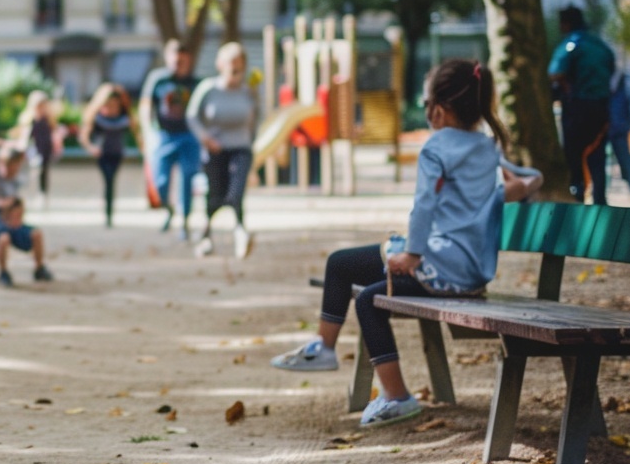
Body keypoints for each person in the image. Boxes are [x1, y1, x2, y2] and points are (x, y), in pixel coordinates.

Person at [269, 60, 543, 428]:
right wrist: (516, 187)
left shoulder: (437, 147)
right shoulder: (487, 147)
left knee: (366, 294)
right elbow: (533, 179)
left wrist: (411, 255)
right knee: (346, 265)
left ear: (439, 110)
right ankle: (324, 349)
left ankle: (392, 393)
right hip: (468, 273)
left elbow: (424, 205)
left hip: (439, 268)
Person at [187, 42, 257, 259]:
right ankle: (206, 235)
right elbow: (192, 116)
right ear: (220, 63)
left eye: (238, 62)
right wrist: (205, 138)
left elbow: (257, 117)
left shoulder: (249, 91)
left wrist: (251, 140)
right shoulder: (208, 88)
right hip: (214, 150)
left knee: (236, 194)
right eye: (230, 61)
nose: (234, 67)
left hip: (241, 149)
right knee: (215, 196)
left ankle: (240, 232)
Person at [549, 6, 615, 205]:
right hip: (602, 111)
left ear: (566, 24)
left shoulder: (572, 44)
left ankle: (577, 201)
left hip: (577, 110)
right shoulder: (600, 45)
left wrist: (566, 86)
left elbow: (554, 72)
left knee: (574, 159)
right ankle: (600, 204)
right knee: (597, 158)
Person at [139, 40, 200, 238]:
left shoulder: (196, 83)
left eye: (182, 60)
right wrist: (148, 130)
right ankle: (169, 209)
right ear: (167, 58)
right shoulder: (158, 80)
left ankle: (185, 221)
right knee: (160, 182)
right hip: (164, 136)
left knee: (187, 177)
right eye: (174, 59)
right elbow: (146, 105)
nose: (177, 63)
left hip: (189, 136)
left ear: (188, 60)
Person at [0, 144, 52, 287]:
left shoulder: (16, 180)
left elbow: (29, 163)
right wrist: (1, 146)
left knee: (36, 234)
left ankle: (39, 268)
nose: (12, 170)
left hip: (12, 223)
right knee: (3, 238)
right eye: (9, 166)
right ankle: (3, 272)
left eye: (15, 166)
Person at [79, 83, 136, 227]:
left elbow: (136, 132)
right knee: (109, 181)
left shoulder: (124, 117)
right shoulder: (98, 118)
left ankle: (109, 213)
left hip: (117, 154)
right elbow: (84, 136)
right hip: (103, 154)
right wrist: (92, 148)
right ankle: (108, 214)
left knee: (111, 182)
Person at [17, 90, 62, 207]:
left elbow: (54, 132)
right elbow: (25, 136)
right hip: (34, 149)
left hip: (46, 148)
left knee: (43, 171)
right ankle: (32, 193)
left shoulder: (48, 119)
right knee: (33, 171)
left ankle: (43, 194)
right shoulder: (30, 119)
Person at [607, 69, 630, 208]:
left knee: (628, 169)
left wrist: (628, 122)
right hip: (604, 130)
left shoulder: (626, 82)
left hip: (619, 130)